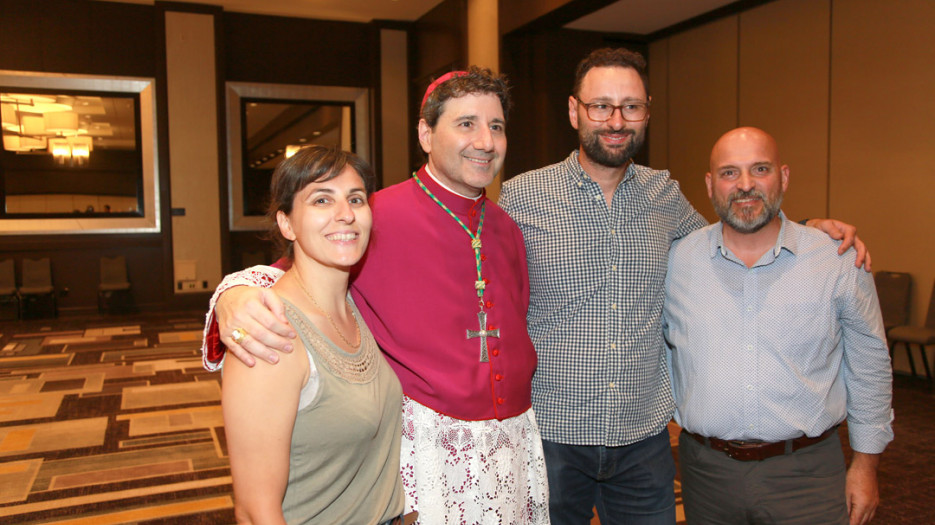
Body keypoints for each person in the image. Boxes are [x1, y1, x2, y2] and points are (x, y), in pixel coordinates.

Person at [497, 48, 870, 524]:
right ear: (575, 111)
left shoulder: (665, 195)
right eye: (601, 106)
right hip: (551, 436)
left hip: (643, 442)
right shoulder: (522, 197)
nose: (616, 120)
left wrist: (807, 229)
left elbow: (732, 239)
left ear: (647, 111)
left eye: (631, 106)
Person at [203, 67, 550, 524]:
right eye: (466, 124)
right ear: (426, 133)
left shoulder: (506, 227)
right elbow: (291, 274)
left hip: (511, 445)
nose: (485, 141)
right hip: (432, 446)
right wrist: (233, 293)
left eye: (497, 126)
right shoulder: (371, 214)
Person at [663, 127, 892, 525]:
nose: (746, 185)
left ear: (783, 177)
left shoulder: (836, 261)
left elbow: (870, 367)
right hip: (706, 474)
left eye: (760, 169)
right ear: (710, 184)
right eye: (730, 173)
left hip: (807, 476)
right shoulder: (677, 262)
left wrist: (866, 465)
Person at [222, 145, 406, 524]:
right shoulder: (270, 333)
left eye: (356, 199)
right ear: (287, 224)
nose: (345, 214)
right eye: (322, 199)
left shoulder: (357, 305)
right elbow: (256, 512)